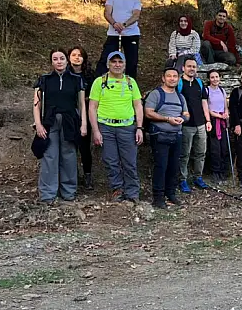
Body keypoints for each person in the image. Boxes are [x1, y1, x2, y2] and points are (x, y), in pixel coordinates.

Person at [89, 51, 143, 203]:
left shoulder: (131, 82)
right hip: (106, 127)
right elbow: (92, 107)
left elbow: (138, 105)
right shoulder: (99, 82)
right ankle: (117, 189)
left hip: (127, 127)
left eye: (120, 62)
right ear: (108, 64)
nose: (117, 64)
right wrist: (96, 131)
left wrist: (139, 127)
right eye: (114, 62)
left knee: (130, 162)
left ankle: (132, 192)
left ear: (125, 65)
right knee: (110, 160)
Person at [33, 49, 87, 203]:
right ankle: (48, 194)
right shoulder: (44, 79)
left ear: (66, 60)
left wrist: (83, 124)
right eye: (55, 59)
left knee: (69, 156)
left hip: (70, 122)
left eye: (62, 58)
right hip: (50, 121)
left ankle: (69, 191)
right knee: (49, 156)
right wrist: (38, 124)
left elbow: (82, 104)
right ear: (51, 62)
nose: (59, 61)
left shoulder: (76, 79)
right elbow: (37, 104)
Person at [144, 68, 189, 209]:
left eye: (175, 76)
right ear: (163, 78)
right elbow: (148, 113)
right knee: (161, 166)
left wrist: (181, 119)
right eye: (169, 76)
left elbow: (187, 114)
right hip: (160, 135)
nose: (172, 79)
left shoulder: (180, 97)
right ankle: (158, 197)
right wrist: (167, 119)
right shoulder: (156, 94)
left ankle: (171, 193)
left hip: (177, 136)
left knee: (174, 166)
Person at [176, 58, 211, 193]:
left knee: (201, 152)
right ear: (183, 68)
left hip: (201, 124)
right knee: (184, 154)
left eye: (194, 67)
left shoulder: (199, 83)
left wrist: (208, 120)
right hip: (186, 125)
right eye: (189, 66)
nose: (192, 69)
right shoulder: (179, 83)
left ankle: (198, 177)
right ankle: (182, 179)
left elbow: (204, 102)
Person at [96, 0, 142, 78]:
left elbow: (136, 15)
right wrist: (114, 24)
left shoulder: (136, 0)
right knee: (105, 59)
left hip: (131, 34)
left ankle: (130, 87)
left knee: (132, 62)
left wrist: (124, 25)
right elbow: (107, 13)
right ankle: (98, 85)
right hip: (114, 33)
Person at [68, 46, 96, 190]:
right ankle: (72, 175)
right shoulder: (64, 74)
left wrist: (82, 99)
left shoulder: (90, 76)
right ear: (69, 57)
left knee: (84, 146)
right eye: (73, 55)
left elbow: (94, 97)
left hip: (85, 114)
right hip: (68, 114)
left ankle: (87, 175)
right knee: (70, 146)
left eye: (80, 55)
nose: (77, 57)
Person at [207, 69, 232, 184]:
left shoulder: (222, 90)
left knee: (224, 147)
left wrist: (226, 114)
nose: (215, 79)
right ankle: (215, 172)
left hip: (222, 121)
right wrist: (218, 116)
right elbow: (207, 108)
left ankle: (223, 171)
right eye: (212, 77)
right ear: (209, 79)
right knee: (215, 148)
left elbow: (225, 105)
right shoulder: (207, 91)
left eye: (216, 77)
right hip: (213, 121)